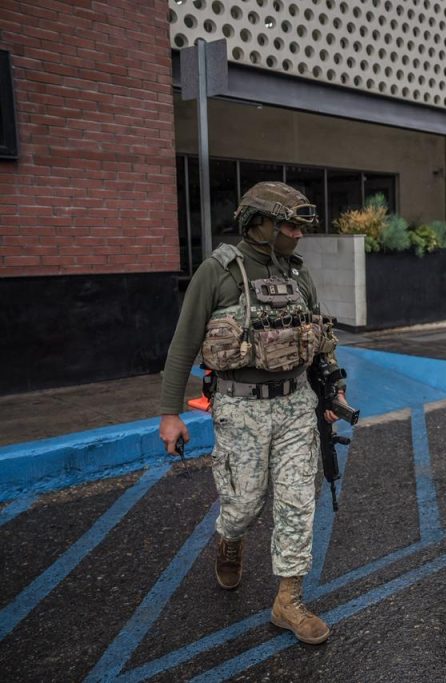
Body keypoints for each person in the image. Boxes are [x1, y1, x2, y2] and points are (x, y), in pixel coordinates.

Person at [159, 182, 348, 645]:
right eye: (288, 225)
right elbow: (183, 344)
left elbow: (319, 342)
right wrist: (169, 413)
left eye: (300, 227)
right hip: (240, 408)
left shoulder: (299, 276)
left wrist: (333, 394)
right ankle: (230, 538)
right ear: (258, 224)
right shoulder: (218, 273)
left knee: (298, 503)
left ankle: (288, 600)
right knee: (243, 504)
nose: (297, 234)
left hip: (296, 407)